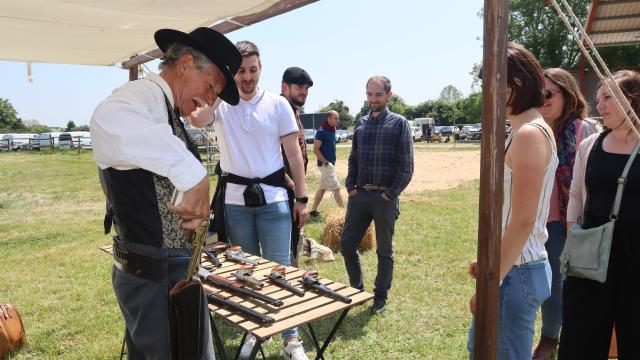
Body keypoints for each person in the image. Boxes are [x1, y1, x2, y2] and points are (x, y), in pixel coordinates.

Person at [91, 27, 242, 359]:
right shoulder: (141, 96)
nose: (211, 98)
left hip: (168, 269)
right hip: (152, 273)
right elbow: (106, 120)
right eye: (212, 85)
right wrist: (195, 176)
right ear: (186, 64)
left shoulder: (164, 107)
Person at [191, 41, 310, 360]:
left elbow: (294, 154)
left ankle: (291, 338)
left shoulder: (277, 104)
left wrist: (301, 196)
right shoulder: (221, 105)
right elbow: (196, 121)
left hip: (273, 199)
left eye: (253, 70)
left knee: (280, 268)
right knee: (244, 269)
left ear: (261, 69)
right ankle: (254, 332)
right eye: (241, 71)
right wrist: (217, 95)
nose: (247, 77)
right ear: (232, 72)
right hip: (235, 202)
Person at [467, 43, 558, 359]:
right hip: (517, 267)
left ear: (516, 83)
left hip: (516, 272)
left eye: (494, 86)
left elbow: (522, 222)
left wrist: (490, 283)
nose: (488, 95)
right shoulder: (525, 130)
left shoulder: (528, 135)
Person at [558, 70, 640, 359]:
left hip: (635, 262)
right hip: (592, 258)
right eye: (598, 99)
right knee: (581, 340)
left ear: (633, 99)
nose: (600, 105)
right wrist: (574, 236)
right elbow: (577, 195)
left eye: (609, 97)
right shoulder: (589, 145)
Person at [531, 68, 600, 359]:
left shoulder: (587, 129)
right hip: (534, 220)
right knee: (537, 278)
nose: (542, 99)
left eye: (549, 93)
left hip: (569, 221)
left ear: (567, 95)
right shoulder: (531, 129)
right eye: (539, 94)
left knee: (562, 282)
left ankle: (551, 337)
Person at [340, 76, 414, 315]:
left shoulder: (400, 124)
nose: (373, 99)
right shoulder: (360, 123)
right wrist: (350, 187)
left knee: (384, 250)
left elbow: (407, 167)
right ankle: (357, 291)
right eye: (370, 95)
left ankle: (380, 296)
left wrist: (389, 194)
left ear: (389, 95)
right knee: (347, 245)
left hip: (384, 199)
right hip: (359, 196)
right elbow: (353, 158)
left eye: (378, 95)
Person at [281, 66, 313, 267]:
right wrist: (294, 187)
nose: (304, 91)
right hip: (281, 190)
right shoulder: (278, 110)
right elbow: (271, 155)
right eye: (299, 87)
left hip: (293, 190)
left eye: (307, 88)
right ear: (285, 87)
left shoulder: (294, 112)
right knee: (284, 250)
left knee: (294, 243)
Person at [309, 110, 345, 220]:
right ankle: (345, 213)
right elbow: (315, 150)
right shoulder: (321, 131)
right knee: (337, 188)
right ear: (328, 119)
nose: (337, 121)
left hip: (329, 164)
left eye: (338, 118)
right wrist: (326, 162)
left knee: (322, 188)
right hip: (325, 165)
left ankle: (313, 211)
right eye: (335, 118)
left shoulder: (332, 129)